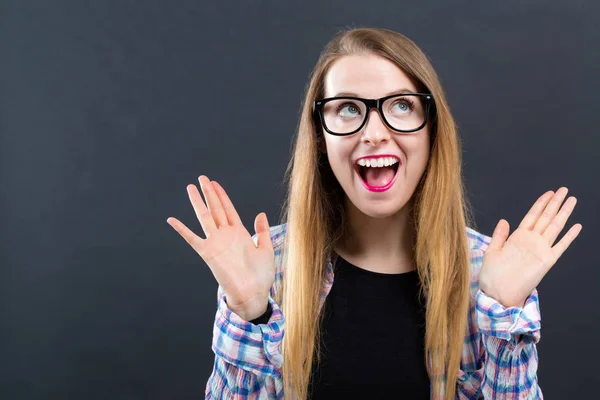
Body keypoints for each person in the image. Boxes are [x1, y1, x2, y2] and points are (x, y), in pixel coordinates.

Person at [167, 27, 582, 399]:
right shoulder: (265, 265)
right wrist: (250, 314)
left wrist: (504, 315)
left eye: (401, 106)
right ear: (320, 136)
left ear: (431, 129)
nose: (375, 132)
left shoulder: (488, 274)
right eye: (348, 108)